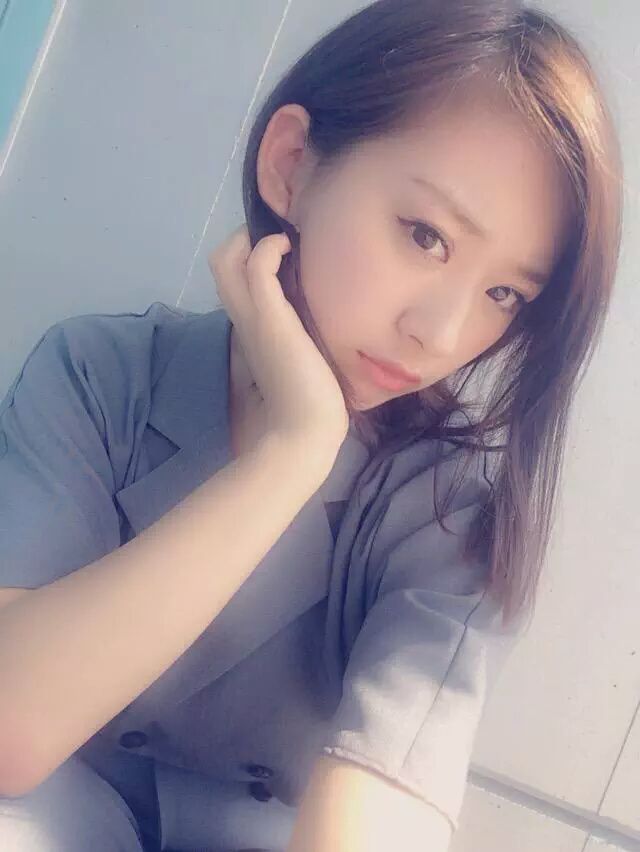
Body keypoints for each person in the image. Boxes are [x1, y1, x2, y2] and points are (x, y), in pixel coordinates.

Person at [0, 0, 623, 850]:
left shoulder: (452, 511)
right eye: (426, 236)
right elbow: (10, 725)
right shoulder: (101, 374)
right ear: (292, 165)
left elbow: (378, 822)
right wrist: (291, 456)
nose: (442, 335)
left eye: (505, 293)